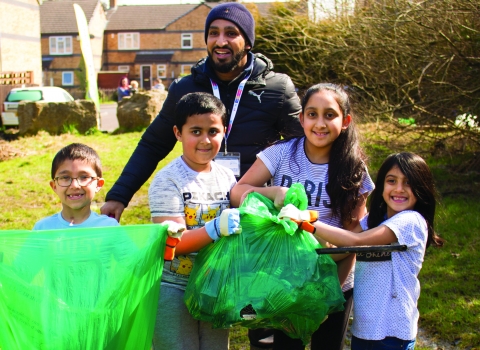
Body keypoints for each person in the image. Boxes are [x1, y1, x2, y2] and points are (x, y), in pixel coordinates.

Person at [101, 2, 302, 222]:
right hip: (201, 208)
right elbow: (153, 144)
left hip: (257, 208)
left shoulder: (277, 88)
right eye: (213, 33)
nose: (221, 41)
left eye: (231, 33)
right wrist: (119, 195)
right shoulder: (184, 88)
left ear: (248, 43)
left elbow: (304, 147)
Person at [230, 83, 375, 350]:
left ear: (345, 121)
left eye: (330, 115)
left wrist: (328, 294)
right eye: (312, 114)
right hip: (284, 280)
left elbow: (354, 238)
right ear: (301, 118)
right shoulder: (280, 154)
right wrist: (271, 192)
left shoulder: (353, 168)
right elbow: (237, 192)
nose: (320, 123)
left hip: (334, 280)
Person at [280, 152, 445, 350]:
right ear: (382, 185)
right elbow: (341, 251)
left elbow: (356, 241)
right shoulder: (374, 220)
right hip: (365, 330)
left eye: (408, 183)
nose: (399, 189)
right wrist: (297, 249)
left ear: (422, 188)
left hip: (393, 334)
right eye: (391, 181)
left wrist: (307, 221)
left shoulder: (411, 221)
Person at [148, 92, 242, 350]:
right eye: (196, 131)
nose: (205, 140)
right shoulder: (167, 181)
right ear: (178, 133)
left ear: (225, 130)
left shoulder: (227, 177)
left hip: (215, 285)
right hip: (173, 287)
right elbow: (173, 245)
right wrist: (214, 229)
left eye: (213, 131)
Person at [34, 143, 118, 229]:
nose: (74, 185)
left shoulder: (109, 227)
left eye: (84, 177)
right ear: (54, 186)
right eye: (65, 177)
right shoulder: (42, 228)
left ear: (98, 184)